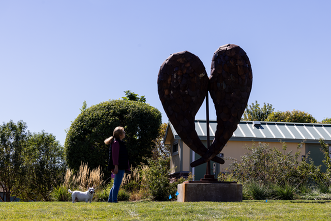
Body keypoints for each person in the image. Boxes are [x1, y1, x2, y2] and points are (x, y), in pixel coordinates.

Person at [104, 126, 129, 203]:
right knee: (117, 184)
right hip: (118, 166)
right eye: (123, 132)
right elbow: (115, 156)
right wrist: (116, 167)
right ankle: (114, 200)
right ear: (120, 135)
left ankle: (110, 199)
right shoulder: (116, 143)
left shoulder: (119, 143)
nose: (125, 133)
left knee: (116, 184)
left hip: (120, 166)